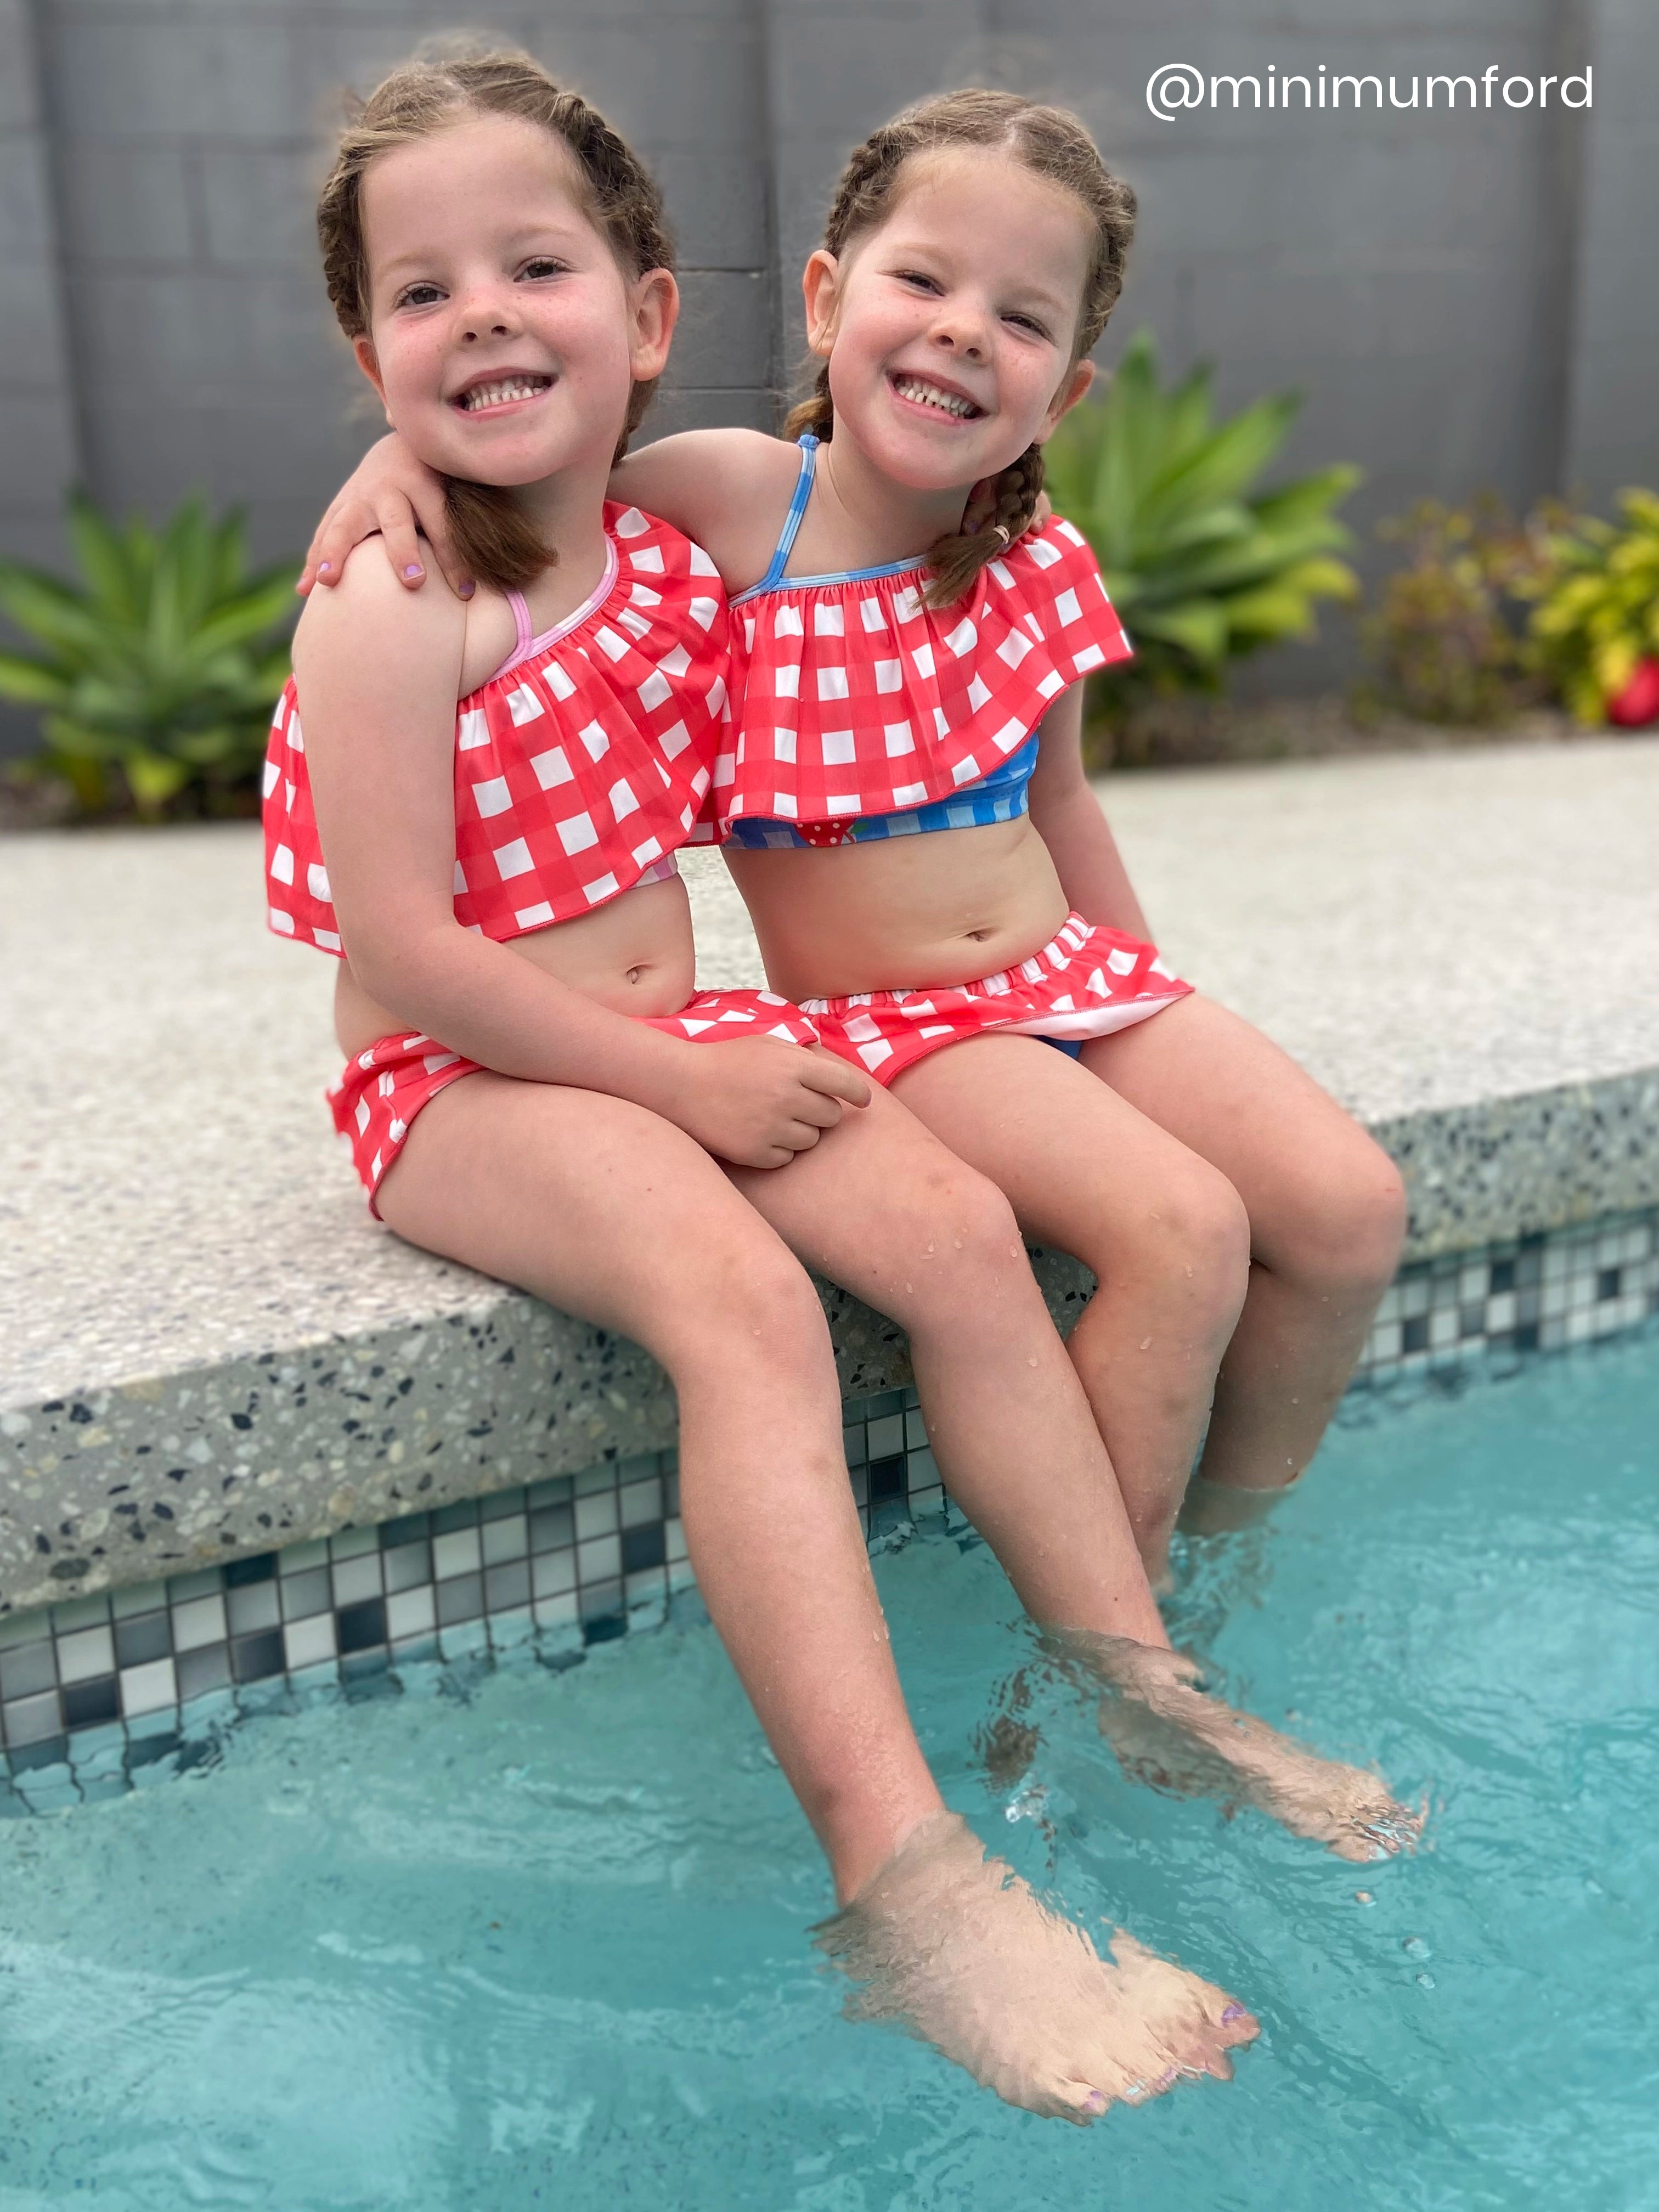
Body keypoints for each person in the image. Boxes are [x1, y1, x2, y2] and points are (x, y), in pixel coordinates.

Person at [279, 47, 1265, 2123]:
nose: (478, 316)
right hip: (463, 1085)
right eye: (421, 289)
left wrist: (711, 1072)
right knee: (743, 1311)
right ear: (365, 343)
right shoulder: (397, 601)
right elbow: (408, 952)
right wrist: (690, 1093)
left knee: (967, 1240)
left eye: (529, 267)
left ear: (645, 318)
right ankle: (903, 1884)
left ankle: (1139, 1686)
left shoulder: (660, 550)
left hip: (670, 1049)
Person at [305, 88, 1409, 1602]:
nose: (962, 331)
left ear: (1066, 392)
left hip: (1067, 971)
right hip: (895, 1021)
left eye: (1018, 319)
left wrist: (1150, 996)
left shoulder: (1035, 556)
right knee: (1183, 1229)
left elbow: (1060, 798)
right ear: (828, 300)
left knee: (1353, 1212)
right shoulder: (741, 505)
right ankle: (1118, 1625)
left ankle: (1227, 1554)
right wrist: (386, 471)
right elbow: (529, 476)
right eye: (923, 282)